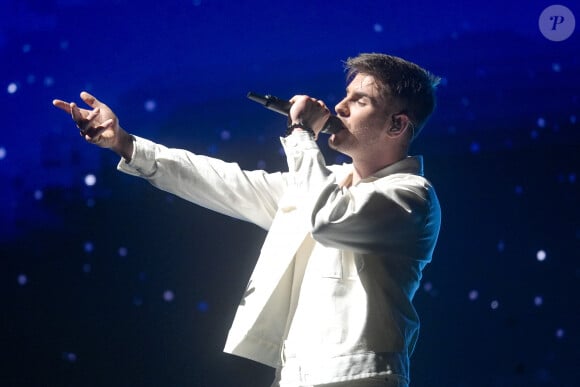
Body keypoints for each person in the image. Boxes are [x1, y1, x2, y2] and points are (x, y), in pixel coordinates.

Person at [53, 53, 441, 387]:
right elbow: (225, 182)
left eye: (360, 101)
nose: (339, 107)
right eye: (345, 95)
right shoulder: (324, 184)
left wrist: (301, 133)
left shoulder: (411, 196)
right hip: (294, 375)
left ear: (396, 125)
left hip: (359, 378)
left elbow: (329, 218)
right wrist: (126, 144)